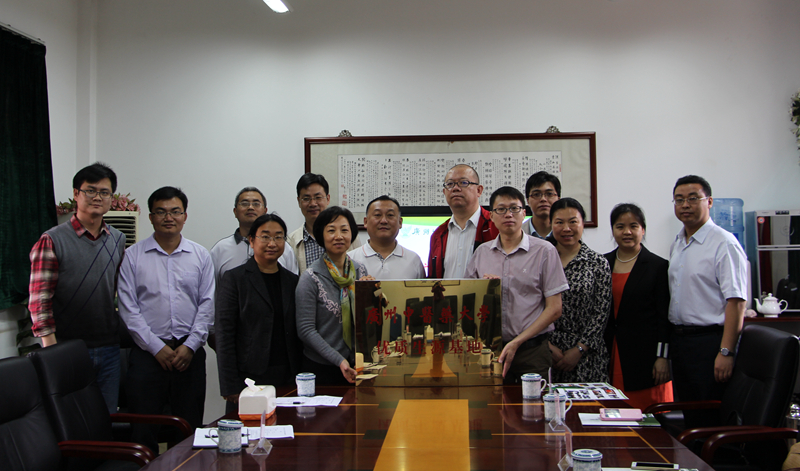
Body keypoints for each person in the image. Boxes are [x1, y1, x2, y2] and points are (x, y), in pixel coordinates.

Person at [118, 186, 214, 454]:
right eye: (161, 212)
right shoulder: (133, 256)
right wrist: (156, 347)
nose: (168, 217)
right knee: (143, 428)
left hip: (189, 355)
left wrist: (191, 345)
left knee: (188, 428)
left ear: (185, 216)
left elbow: (207, 304)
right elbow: (128, 308)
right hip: (147, 355)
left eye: (175, 211)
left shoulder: (200, 255)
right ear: (151, 217)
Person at [28, 163, 126, 414]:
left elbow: (116, 290)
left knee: (106, 418)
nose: (97, 197)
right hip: (67, 347)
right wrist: (53, 350)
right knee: (71, 420)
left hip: (108, 346)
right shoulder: (52, 239)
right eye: (90, 190)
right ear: (76, 193)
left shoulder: (117, 239)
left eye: (104, 192)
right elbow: (39, 300)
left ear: (112, 198)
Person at [465, 187, 569, 382]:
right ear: (492, 216)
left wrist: (517, 342)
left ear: (524, 213)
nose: (508, 214)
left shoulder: (545, 251)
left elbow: (555, 309)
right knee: (491, 401)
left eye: (514, 208)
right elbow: (468, 303)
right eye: (501, 209)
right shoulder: (481, 253)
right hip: (490, 350)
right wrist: (483, 291)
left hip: (532, 351)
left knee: (533, 401)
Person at [668, 175, 747, 428]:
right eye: (679, 199)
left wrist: (726, 351)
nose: (685, 205)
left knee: (710, 416)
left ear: (709, 201)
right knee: (690, 414)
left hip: (710, 343)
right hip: (681, 342)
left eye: (693, 198)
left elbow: (736, 302)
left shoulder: (724, 243)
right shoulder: (678, 242)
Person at [215, 213, 301, 414]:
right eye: (265, 236)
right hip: (249, 378)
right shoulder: (235, 279)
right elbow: (224, 333)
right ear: (252, 240)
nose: (272, 243)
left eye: (278, 237)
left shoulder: (292, 281)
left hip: (287, 375)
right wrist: (229, 384)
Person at [603, 203, 673, 409]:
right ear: (613, 230)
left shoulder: (657, 266)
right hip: (611, 352)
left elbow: (664, 317)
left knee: (646, 416)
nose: (627, 232)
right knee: (613, 413)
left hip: (646, 356)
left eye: (633, 226)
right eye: (620, 226)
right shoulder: (603, 263)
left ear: (643, 229)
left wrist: (662, 357)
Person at [295, 206, 370, 385]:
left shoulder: (360, 271)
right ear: (321, 235)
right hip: (322, 368)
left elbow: (366, 319)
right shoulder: (310, 277)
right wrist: (339, 360)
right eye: (331, 230)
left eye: (344, 230)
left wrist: (372, 295)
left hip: (357, 364)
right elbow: (306, 330)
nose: (339, 236)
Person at [547, 197, 612, 383]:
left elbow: (601, 313)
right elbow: (530, 305)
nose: (566, 228)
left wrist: (580, 349)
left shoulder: (598, 263)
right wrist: (547, 346)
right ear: (551, 224)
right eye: (559, 222)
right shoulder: (542, 259)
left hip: (587, 355)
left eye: (573, 222)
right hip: (547, 352)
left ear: (583, 224)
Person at [210, 186, 298, 283]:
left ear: (265, 211)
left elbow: (291, 284)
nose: (250, 207)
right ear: (235, 212)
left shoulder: (283, 249)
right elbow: (214, 288)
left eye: (256, 204)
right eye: (244, 204)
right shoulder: (220, 249)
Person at [428, 164, 498, 278]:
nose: (455, 188)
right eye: (450, 184)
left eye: (463, 182)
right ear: (444, 192)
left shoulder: (495, 225)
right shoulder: (438, 234)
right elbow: (432, 279)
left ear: (479, 190)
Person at [287, 173, 360, 273]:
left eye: (318, 197)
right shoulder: (291, 241)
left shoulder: (349, 236)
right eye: (306, 199)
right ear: (299, 201)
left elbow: (357, 269)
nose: (313, 204)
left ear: (328, 199)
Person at [348, 195, 425, 280]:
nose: (384, 221)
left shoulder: (414, 260)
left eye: (390, 215)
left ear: (400, 222)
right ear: (366, 222)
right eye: (377, 215)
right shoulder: (350, 259)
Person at [523, 171, 561, 239]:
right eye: (536, 194)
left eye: (549, 194)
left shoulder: (567, 233)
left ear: (558, 199)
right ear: (528, 201)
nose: (543, 199)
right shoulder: (517, 234)